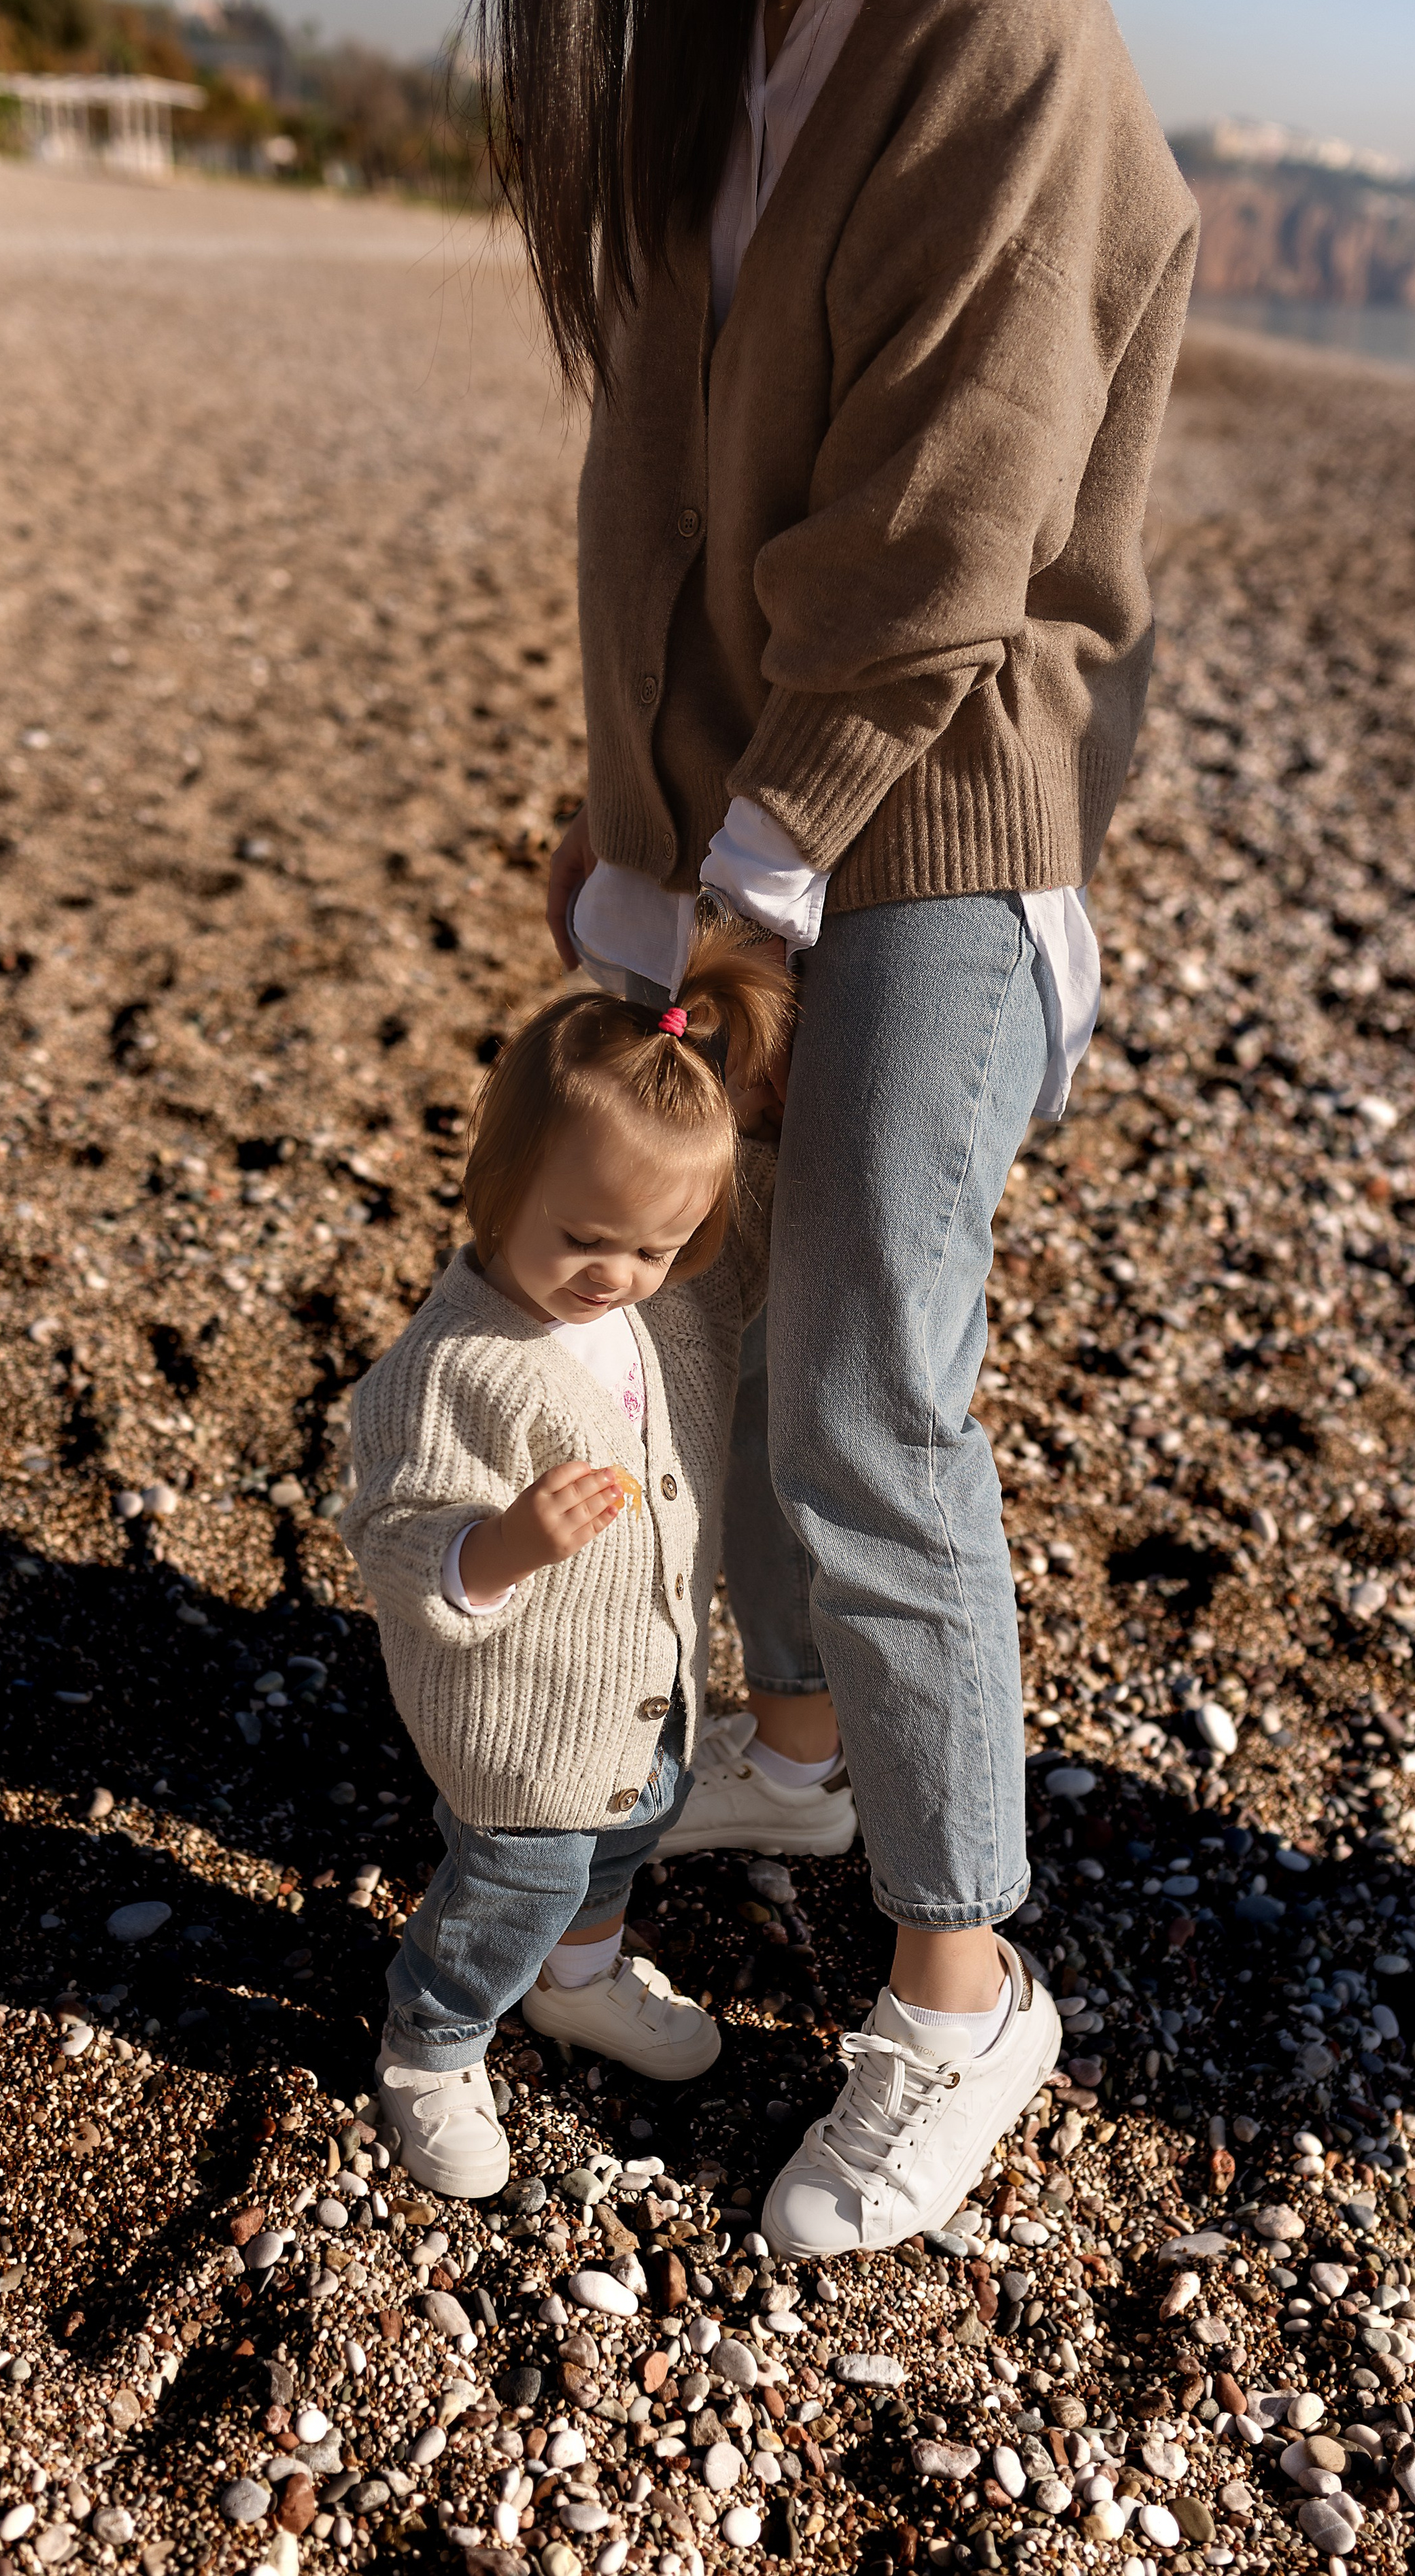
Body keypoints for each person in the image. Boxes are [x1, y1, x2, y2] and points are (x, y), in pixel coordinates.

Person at [471, 0, 1199, 2252]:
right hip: (741, 827)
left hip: (945, 811)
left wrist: (749, 874)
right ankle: (798, 1753)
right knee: (736, 1329)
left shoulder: (999, 20)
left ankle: (963, 1991)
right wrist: (635, 831)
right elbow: (652, 480)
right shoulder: (715, 28)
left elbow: (949, 513)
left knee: (871, 1385)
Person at [341, 929, 792, 2196]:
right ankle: (431, 2043)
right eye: (587, 1237)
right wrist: (498, 1546)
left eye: (655, 1247)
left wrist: (759, 1108)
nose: (619, 1276)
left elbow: (748, 1228)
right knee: (510, 1886)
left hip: (646, 1699)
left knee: (626, 1841)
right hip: (522, 1727)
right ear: (498, 1186)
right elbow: (392, 1536)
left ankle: (579, 1980)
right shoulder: (452, 1368)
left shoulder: (668, 1302)